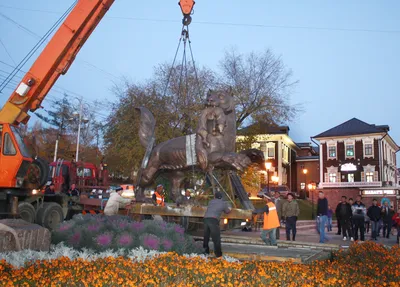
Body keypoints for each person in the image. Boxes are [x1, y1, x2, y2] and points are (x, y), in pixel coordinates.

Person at [203, 191, 231, 258]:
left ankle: (205, 252)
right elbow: (227, 211)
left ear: (215, 197)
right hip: (213, 220)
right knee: (216, 238)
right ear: (221, 197)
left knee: (206, 237)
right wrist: (229, 207)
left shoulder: (211, 202)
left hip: (206, 219)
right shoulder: (223, 203)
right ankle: (218, 255)